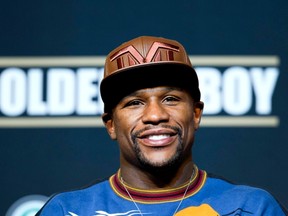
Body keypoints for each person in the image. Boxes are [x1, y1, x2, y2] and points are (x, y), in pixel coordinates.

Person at [36, 36, 287, 216]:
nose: (155, 115)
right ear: (111, 124)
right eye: (134, 102)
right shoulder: (68, 210)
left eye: (171, 99)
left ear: (196, 114)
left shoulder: (251, 208)